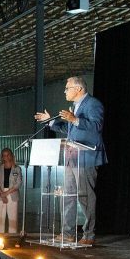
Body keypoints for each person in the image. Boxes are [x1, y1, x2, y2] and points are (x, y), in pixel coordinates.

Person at [34, 75, 108, 246]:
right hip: (71, 157)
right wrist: (50, 122)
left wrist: (74, 119)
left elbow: (97, 126)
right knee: (67, 196)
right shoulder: (74, 106)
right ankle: (67, 233)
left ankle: (89, 234)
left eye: (67, 88)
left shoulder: (93, 104)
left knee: (85, 197)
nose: (65, 91)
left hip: (86, 158)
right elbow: (70, 131)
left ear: (79, 89)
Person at [0, 148, 22, 234]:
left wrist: (6, 193)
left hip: (12, 194)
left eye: (8, 155)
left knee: (13, 219)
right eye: (4, 155)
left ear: (11, 155)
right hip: (0, 194)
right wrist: (2, 194)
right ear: (2, 157)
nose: (6, 157)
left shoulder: (17, 169)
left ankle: (12, 237)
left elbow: (18, 183)